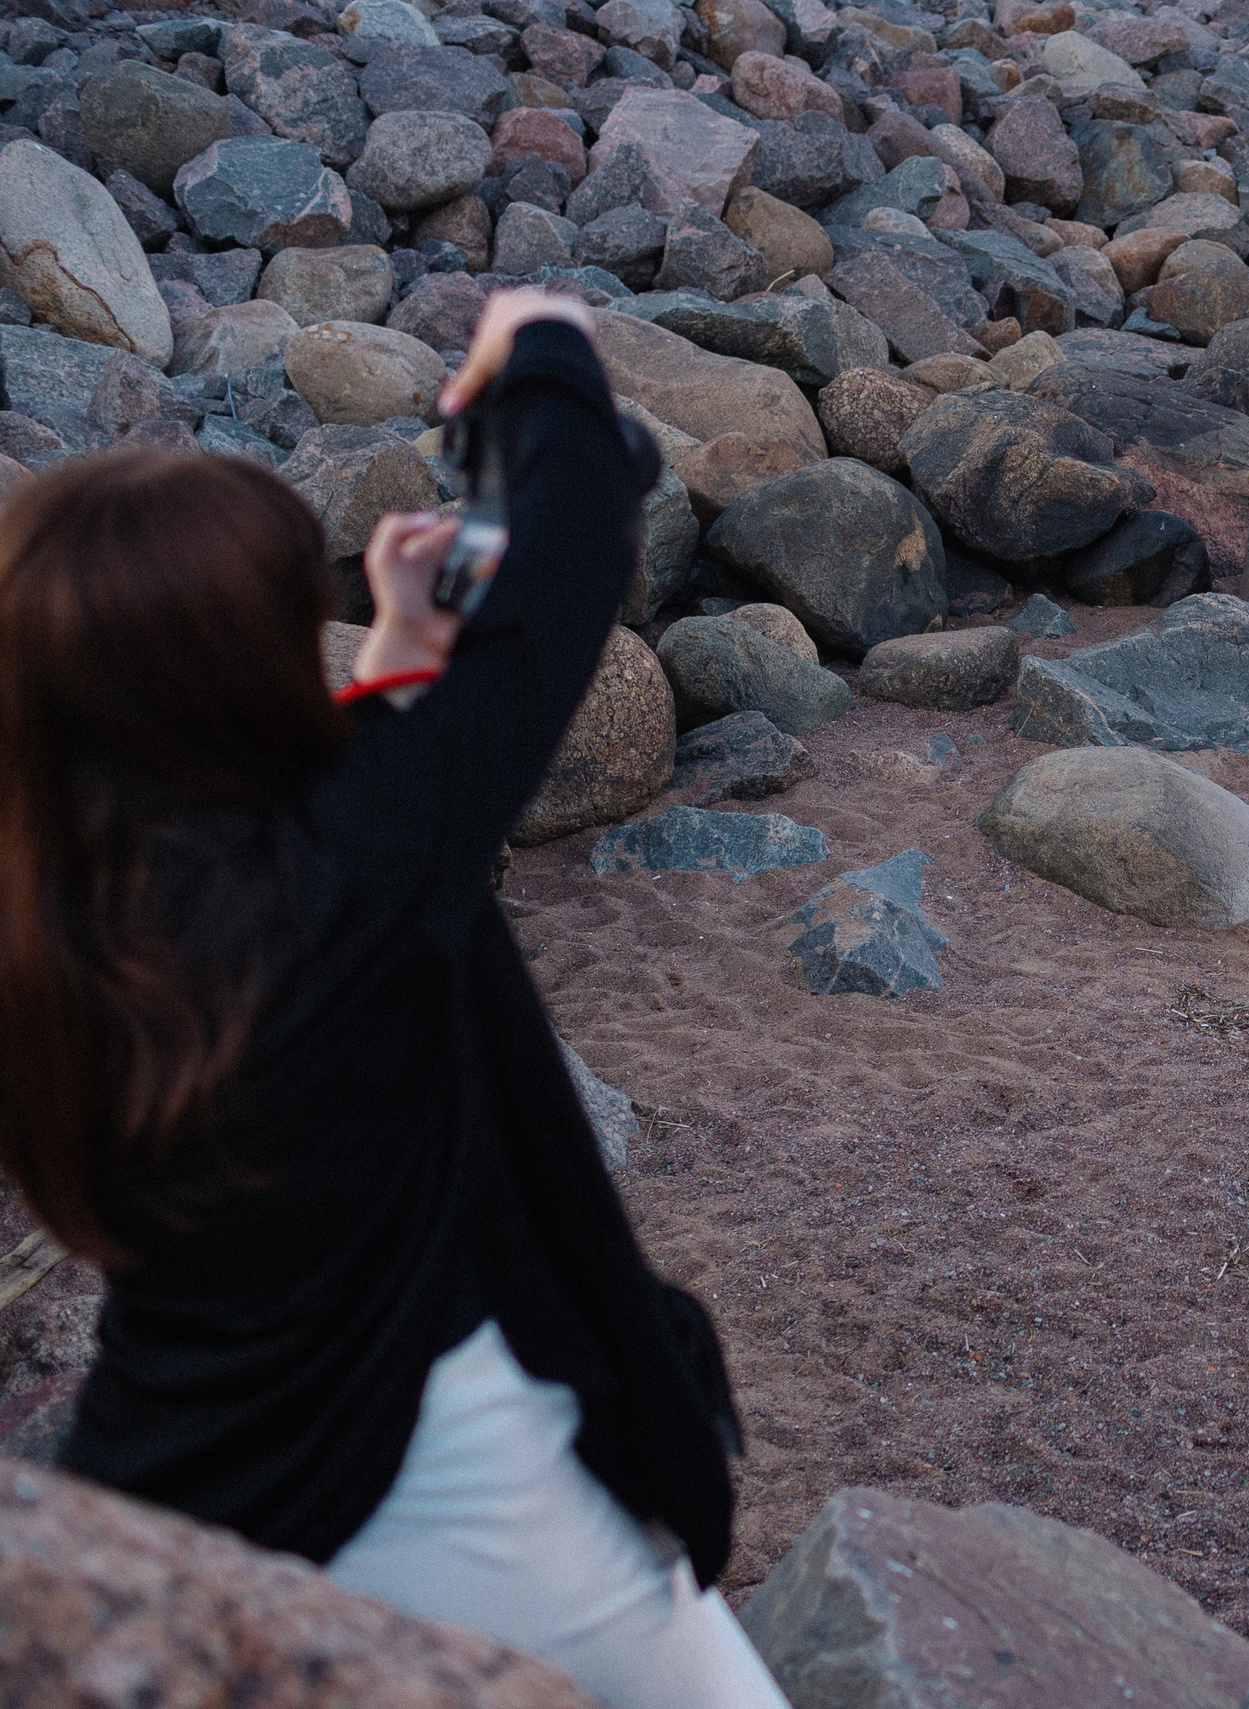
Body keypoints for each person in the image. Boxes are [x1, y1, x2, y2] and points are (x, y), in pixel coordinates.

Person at [0, 290, 788, 1706]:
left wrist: (401, 666)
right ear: (244, 665)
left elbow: (306, 864)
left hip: (176, 1467)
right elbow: (572, 541)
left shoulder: (47, 909)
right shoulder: (344, 867)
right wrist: (536, 350)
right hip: (438, 1469)